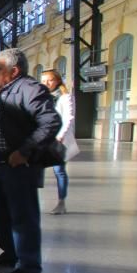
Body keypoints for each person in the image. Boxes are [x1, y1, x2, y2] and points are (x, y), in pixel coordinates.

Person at [0, 48, 62, 273]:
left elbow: (50, 122)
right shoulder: (5, 90)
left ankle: (28, 267)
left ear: (14, 70)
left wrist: (24, 151)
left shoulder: (29, 89)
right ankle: (11, 255)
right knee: (3, 214)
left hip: (17, 164)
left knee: (23, 217)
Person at [40, 69, 79, 214]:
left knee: (59, 171)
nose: (46, 83)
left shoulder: (65, 97)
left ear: (57, 80)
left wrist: (61, 135)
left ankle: (61, 203)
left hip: (58, 140)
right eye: (43, 81)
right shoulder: (43, 97)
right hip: (43, 139)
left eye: (49, 80)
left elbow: (69, 117)